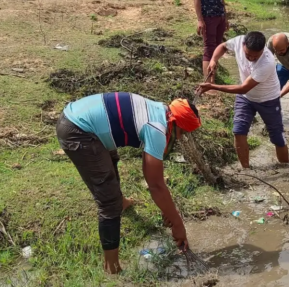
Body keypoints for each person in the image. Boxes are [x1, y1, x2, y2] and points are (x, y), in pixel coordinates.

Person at [56, 93, 201, 274]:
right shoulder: (157, 128)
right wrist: (178, 224)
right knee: (109, 203)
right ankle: (112, 267)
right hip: (78, 130)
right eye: (182, 132)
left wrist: (168, 211)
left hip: (78, 116)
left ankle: (122, 203)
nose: (179, 138)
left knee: (110, 160)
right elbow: (155, 184)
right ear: (176, 122)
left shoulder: (159, 110)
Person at [197, 32, 289, 168]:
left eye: (255, 56)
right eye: (248, 55)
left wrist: (212, 86)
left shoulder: (267, 62)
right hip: (246, 98)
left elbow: (243, 88)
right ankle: (246, 170)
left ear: (263, 50)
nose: (251, 58)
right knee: (238, 131)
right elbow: (223, 46)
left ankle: (286, 169)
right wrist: (213, 60)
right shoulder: (239, 41)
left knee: (277, 137)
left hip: (268, 99)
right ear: (243, 45)